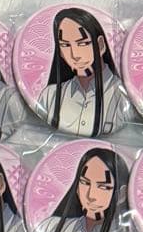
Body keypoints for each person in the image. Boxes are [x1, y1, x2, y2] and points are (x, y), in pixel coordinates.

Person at [34, 147, 143, 232]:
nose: (91, 195)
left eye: (103, 187)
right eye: (85, 183)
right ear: (77, 187)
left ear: (121, 194)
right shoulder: (49, 228)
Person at [37, 8, 126, 136]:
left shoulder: (124, 96)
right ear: (60, 51)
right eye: (65, 45)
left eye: (83, 43)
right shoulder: (50, 96)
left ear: (101, 45)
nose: (75, 55)